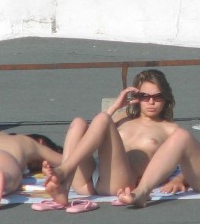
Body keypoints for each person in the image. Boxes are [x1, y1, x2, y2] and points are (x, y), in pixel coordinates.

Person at [41, 69, 179, 207]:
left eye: (157, 97)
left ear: (166, 98)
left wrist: (178, 180)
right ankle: (64, 187)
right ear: (137, 97)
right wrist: (115, 106)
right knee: (78, 123)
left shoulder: (171, 129)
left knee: (103, 118)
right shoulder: (123, 117)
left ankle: (65, 170)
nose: (150, 101)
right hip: (89, 179)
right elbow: (93, 133)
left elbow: (187, 159)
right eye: (144, 96)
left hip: (118, 181)